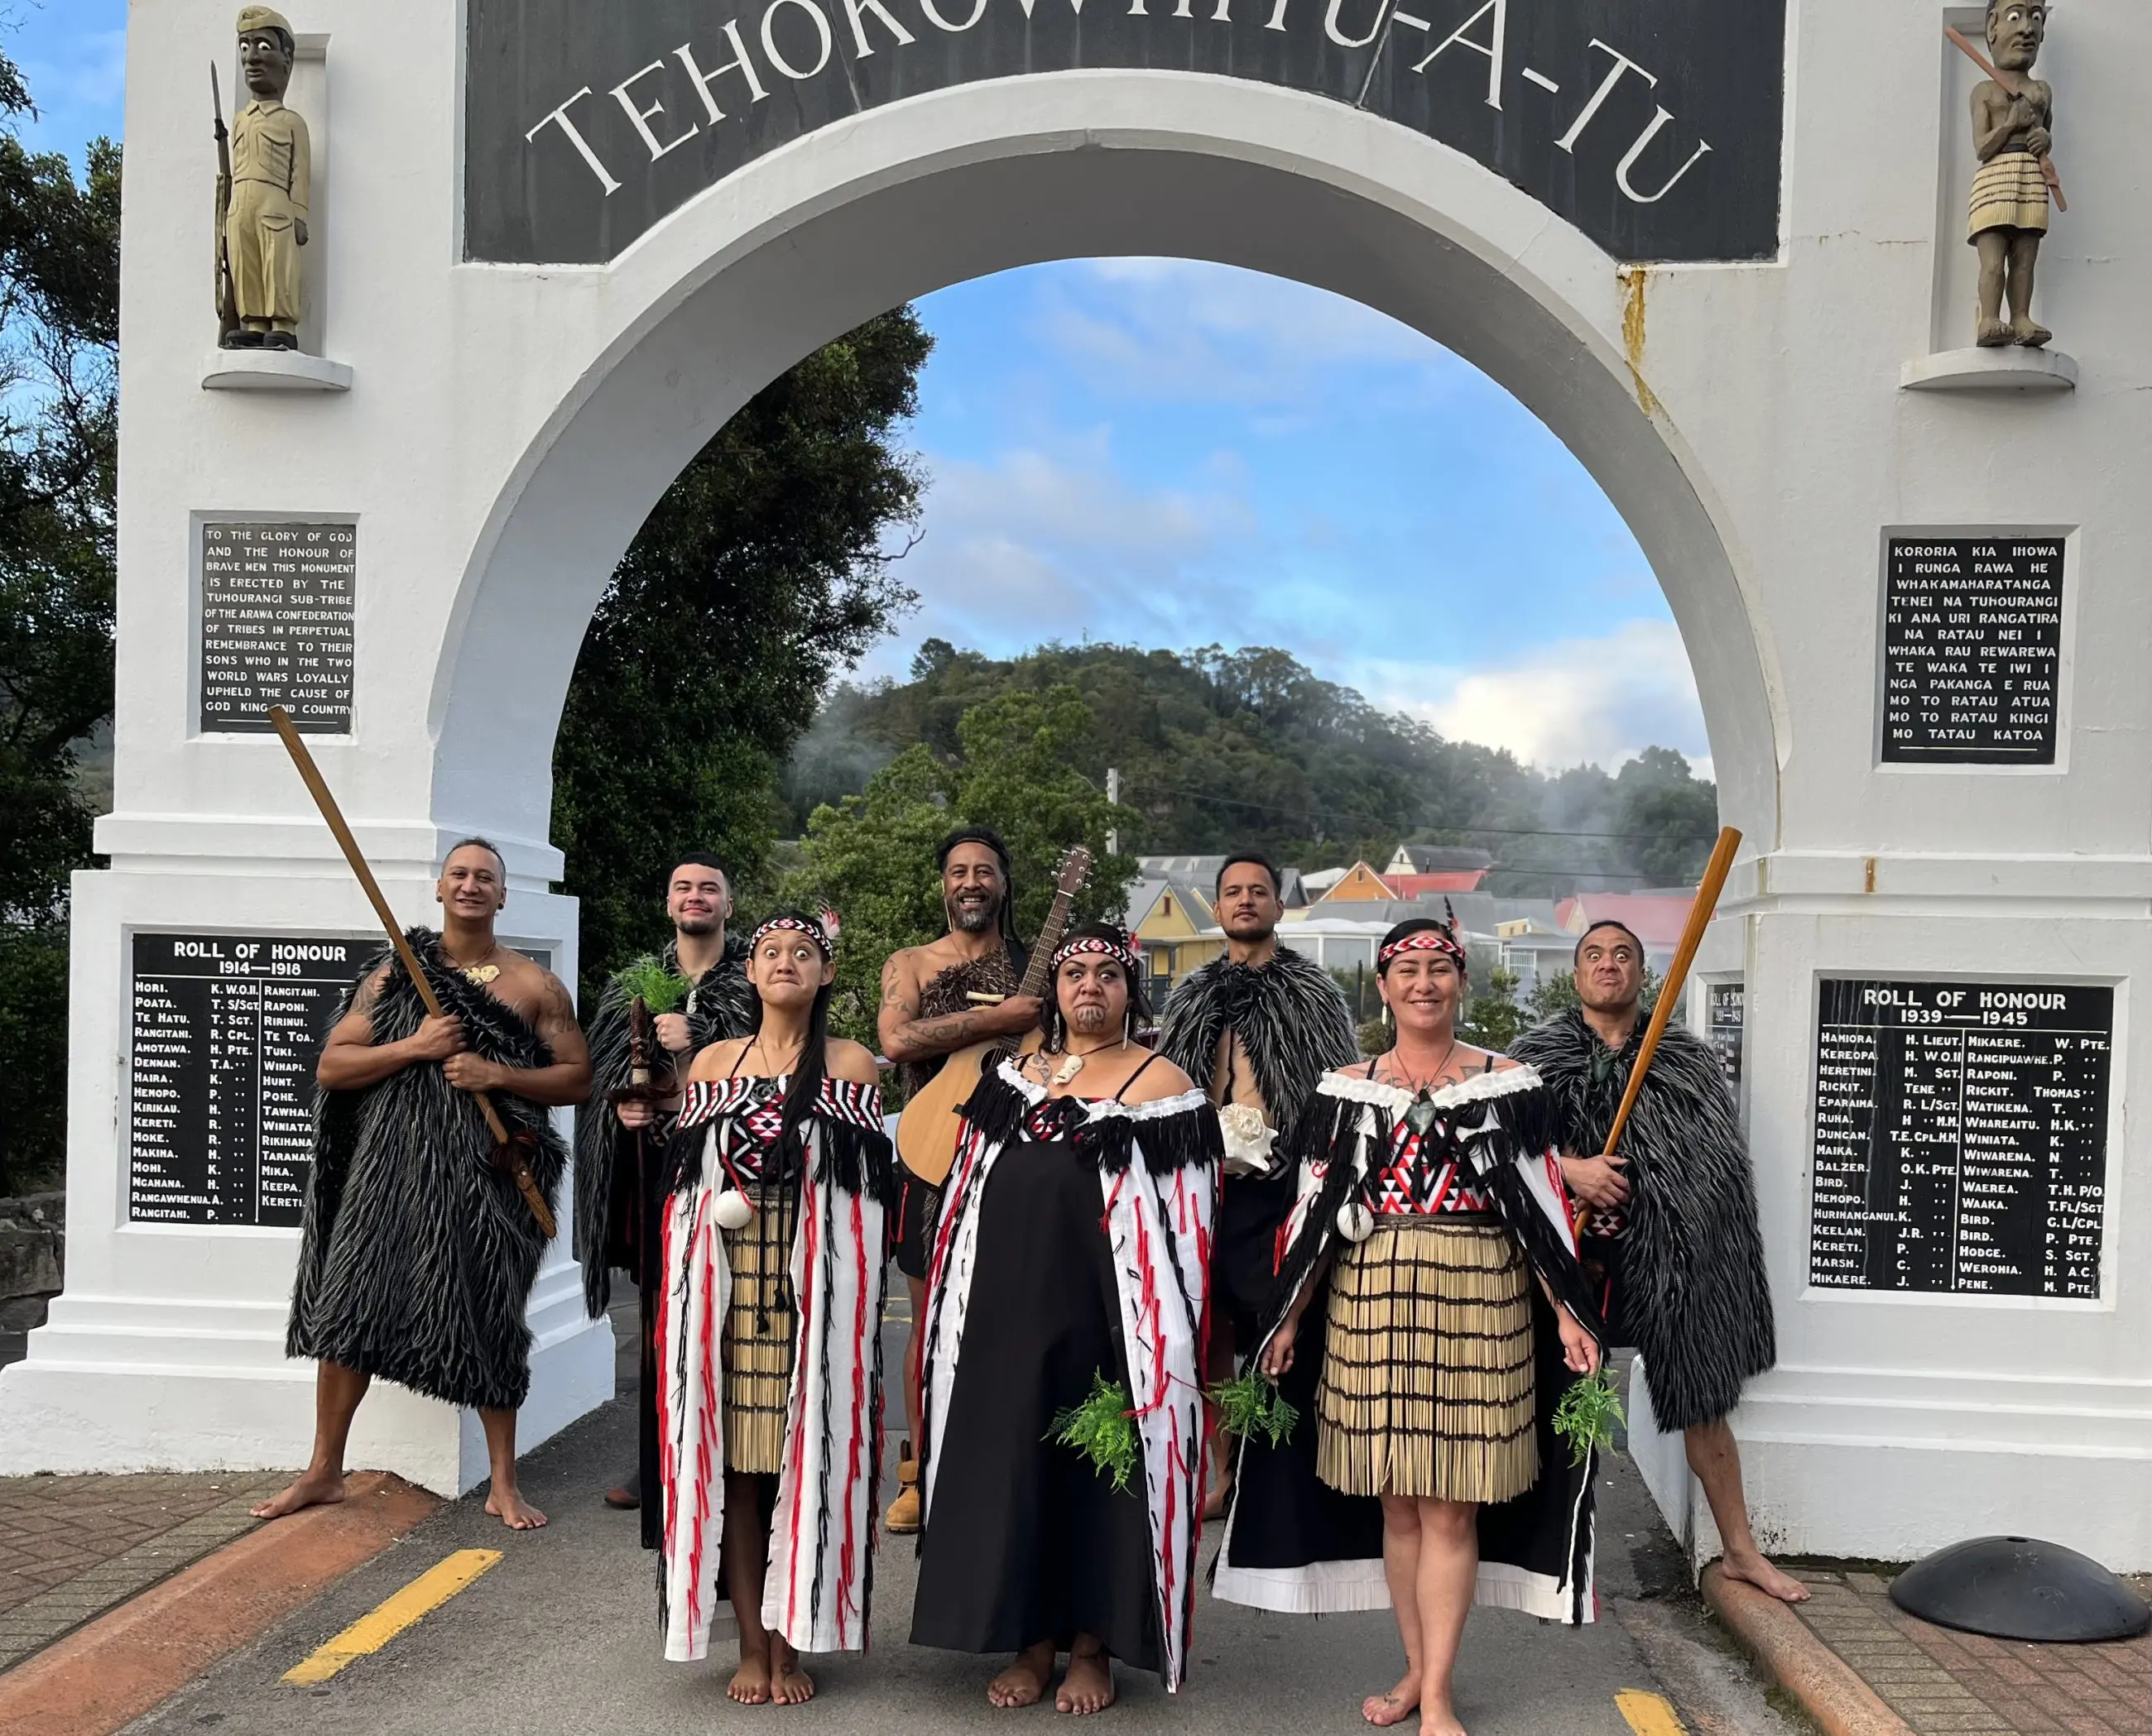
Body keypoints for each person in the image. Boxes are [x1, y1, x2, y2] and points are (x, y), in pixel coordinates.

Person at [1229, 917, 1603, 1736]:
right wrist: (1288, 1317)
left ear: (1460, 981)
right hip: (1371, 1296)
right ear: (1383, 984)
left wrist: (1565, 1312)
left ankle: (1436, 1691)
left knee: (1452, 1507)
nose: (1424, 983)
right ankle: (1411, 1666)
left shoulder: (1506, 1084)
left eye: (1439, 968)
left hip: (1482, 1298)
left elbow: (1539, 1207)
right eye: (1409, 970)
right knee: (1398, 1502)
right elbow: (1314, 1216)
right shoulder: (1346, 1087)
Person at [911, 924, 1219, 1714]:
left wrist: (1164, 1334)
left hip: (1112, 1317)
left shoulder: (1163, 1085)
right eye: (1075, 973)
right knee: (1017, 1463)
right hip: (1006, 1308)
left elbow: (1188, 1226)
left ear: (1130, 991)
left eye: (1108, 975)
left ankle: (1093, 1646)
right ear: (1053, 989)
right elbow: (963, 1195)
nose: (1090, 986)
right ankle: (1031, 1638)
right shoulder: (1011, 1075)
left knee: (1101, 1471)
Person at [257, 839, 592, 1529]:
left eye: (485, 879)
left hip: (488, 1177)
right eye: (459, 875)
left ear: (502, 896)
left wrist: (497, 1075)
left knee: (492, 1314)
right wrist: (416, 1046)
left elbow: (577, 1079)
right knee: (348, 1309)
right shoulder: (390, 977)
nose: (471, 886)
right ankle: (323, 1470)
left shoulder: (535, 987)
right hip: (388, 1172)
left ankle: (504, 1482)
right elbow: (333, 1066)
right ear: (440, 889)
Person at [622, 912, 894, 1700]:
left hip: (812, 1298)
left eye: (803, 954)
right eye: (771, 952)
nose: (785, 964)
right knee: (737, 1470)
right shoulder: (711, 1063)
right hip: (726, 1294)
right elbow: (686, 1191)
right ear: (749, 971)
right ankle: (749, 1644)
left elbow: (863, 1203)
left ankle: (791, 1640)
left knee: (799, 1462)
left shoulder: (851, 1066)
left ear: (825, 974)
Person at [1509, 920, 1804, 1604]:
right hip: (1568, 1262)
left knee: (1704, 1403)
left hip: (1667, 1262)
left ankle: (1739, 1552)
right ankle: (1527, 1555)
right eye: (1594, 955)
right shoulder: (1530, 1061)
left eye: (1623, 955)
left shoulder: (1686, 1059)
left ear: (1644, 973)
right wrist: (1571, 1170)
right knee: (1534, 1401)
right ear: (1576, 975)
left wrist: (1658, 1194)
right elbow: (1499, 1160)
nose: (1608, 965)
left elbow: (1718, 1168)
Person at [1156, 851, 1358, 1519]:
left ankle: (1283, 1473)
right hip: (1203, 1185)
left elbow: (1339, 1090)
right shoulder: (1189, 994)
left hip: (1284, 1183)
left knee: (1284, 1326)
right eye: (1233, 893)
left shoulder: (1314, 991)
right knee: (1206, 1329)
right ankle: (1222, 1469)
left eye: (1258, 891)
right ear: (1216, 909)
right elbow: (1165, 1087)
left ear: (1277, 905)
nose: (1245, 901)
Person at [574, 854, 754, 1516]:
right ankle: (660, 1459)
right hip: (653, 1168)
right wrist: (623, 1106)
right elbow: (600, 1075)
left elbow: (775, 1056)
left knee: (739, 1314)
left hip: (734, 1172)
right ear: (669, 903)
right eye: (684, 887)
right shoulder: (633, 984)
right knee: (660, 1318)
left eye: (709, 888)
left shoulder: (756, 979)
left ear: (728, 907)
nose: (696, 896)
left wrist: (701, 1032)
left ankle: (741, 1459)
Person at [878, 827, 1041, 1532]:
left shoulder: (1040, 964)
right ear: (942, 884)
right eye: (957, 871)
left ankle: (1012, 1466)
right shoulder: (911, 963)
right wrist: (992, 1020)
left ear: (1005, 883)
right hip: (932, 1151)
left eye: (984, 871)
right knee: (928, 1318)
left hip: (1025, 1156)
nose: (970, 882)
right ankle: (919, 1469)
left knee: (1022, 1319)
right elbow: (894, 1041)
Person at [1967, 1, 2054, 349]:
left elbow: (2047, 136)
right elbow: (1982, 147)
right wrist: (2010, 126)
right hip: (1996, 177)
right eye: (2015, 17)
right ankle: (1990, 318)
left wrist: (2043, 137)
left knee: (2026, 255)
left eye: (2035, 18)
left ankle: (2020, 316)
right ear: (1993, 26)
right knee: (1993, 258)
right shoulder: (1984, 91)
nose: (2026, 29)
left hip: (2031, 178)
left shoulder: (2041, 91)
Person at [226, 9, 310, 349]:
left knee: (277, 263)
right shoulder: (239, 120)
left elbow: (299, 172)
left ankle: (281, 323)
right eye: (245, 47)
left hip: (275, 203)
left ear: (286, 60)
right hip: (241, 204)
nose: (252, 58)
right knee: (245, 261)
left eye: (263, 45)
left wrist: (300, 215)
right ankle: (255, 321)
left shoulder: (291, 122)